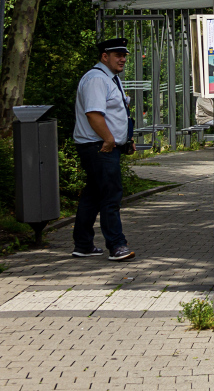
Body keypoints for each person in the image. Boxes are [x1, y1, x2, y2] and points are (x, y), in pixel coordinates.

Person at [72, 37, 136, 261]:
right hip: (99, 146)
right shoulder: (97, 79)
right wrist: (109, 140)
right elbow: (94, 114)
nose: (123, 59)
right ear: (104, 56)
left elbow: (117, 113)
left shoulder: (111, 78)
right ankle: (117, 245)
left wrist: (125, 139)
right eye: (118, 55)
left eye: (124, 55)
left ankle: (83, 245)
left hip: (103, 145)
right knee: (111, 195)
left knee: (93, 195)